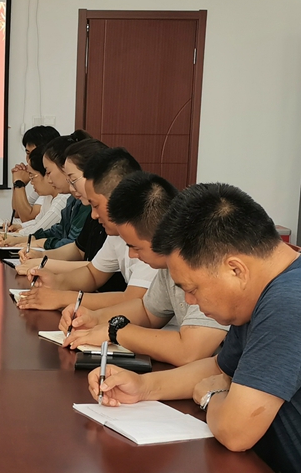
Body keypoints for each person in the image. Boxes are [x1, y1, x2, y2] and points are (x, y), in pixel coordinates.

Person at [88, 183, 301, 472]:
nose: (190, 301)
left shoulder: (289, 300)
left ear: (235, 269)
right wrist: (143, 387)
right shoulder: (259, 294)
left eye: (192, 289)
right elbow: (219, 369)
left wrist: (210, 396)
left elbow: (235, 432)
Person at [59, 172, 228, 366]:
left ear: (161, 236)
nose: (132, 255)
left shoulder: (209, 265)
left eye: (136, 247)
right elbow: (147, 312)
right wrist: (94, 318)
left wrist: (115, 332)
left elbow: (189, 351)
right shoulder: (168, 267)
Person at [19, 147, 157, 312]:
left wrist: (62, 298)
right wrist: (57, 282)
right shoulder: (116, 233)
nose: (93, 215)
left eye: (95, 205)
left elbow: (133, 300)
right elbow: (92, 274)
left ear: (119, 198)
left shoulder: (150, 231)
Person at [17, 139, 126, 292]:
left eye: (73, 179)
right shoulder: (91, 209)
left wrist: (43, 263)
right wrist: (42, 259)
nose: (71, 186)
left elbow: (131, 298)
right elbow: (84, 258)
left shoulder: (120, 221)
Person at [25, 131, 92, 250]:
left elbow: (74, 247)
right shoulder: (72, 200)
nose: (48, 179)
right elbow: (59, 230)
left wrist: (42, 244)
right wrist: (35, 239)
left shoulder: (85, 203)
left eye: (48, 172)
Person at [0, 146, 69, 247]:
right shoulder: (48, 197)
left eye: (32, 176)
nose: (31, 182)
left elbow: (38, 231)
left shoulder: (62, 200)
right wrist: (20, 226)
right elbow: (37, 221)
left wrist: (15, 235)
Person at [11, 125, 60, 222]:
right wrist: (17, 184)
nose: (29, 159)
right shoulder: (39, 181)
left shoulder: (51, 183)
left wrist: (19, 183)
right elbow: (17, 213)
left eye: (34, 154)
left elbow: (27, 218)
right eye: (28, 153)